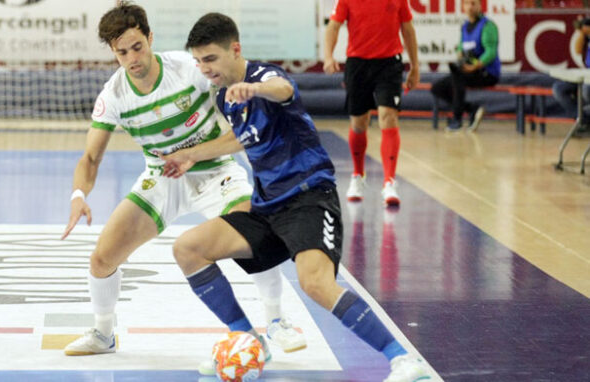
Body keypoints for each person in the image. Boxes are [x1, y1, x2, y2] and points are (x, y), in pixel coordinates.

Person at [160, 13, 430, 382]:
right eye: (199, 61)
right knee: (188, 248)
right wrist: (193, 154)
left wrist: (255, 90)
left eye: (211, 59)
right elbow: (242, 137)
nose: (205, 69)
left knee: (315, 283)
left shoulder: (265, 78)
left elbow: (282, 90)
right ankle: (248, 339)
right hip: (268, 206)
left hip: (308, 197)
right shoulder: (225, 97)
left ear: (235, 49)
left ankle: (402, 359)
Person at [61, 2, 306, 357]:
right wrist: (78, 195)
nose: (133, 59)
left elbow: (243, 124)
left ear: (150, 38)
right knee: (101, 258)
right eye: (122, 52)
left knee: (254, 233)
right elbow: (90, 158)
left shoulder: (189, 70)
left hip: (216, 171)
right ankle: (104, 333)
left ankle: (275, 320)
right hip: (162, 178)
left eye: (137, 47)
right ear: (113, 54)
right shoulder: (113, 96)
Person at [323, 0, 419, 207]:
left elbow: (408, 29)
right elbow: (333, 26)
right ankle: (358, 175)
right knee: (359, 123)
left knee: (389, 116)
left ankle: (389, 181)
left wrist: (415, 66)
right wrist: (328, 56)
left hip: (389, 64)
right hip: (358, 63)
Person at [430, 0, 500, 132]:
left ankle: (457, 120)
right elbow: (460, 48)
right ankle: (472, 109)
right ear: (463, 6)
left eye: (473, 3)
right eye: (467, 3)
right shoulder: (465, 27)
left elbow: (491, 51)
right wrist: (460, 57)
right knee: (437, 88)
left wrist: (476, 66)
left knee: (458, 77)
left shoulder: (488, 26)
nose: (470, 7)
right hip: (468, 71)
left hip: (487, 73)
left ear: (480, 6)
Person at [552, 15, 590, 136]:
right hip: (586, 74)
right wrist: (581, 33)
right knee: (559, 89)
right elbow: (578, 50)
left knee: (586, 90)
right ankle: (583, 120)